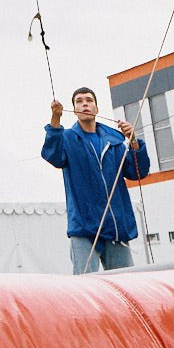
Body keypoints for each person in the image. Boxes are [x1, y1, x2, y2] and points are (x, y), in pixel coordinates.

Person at [41, 86, 149, 273]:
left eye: (89, 100)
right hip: (84, 229)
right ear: (74, 110)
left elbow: (137, 173)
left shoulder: (114, 140)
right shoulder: (67, 139)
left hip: (115, 228)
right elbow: (53, 155)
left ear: (96, 108)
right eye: (79, 101)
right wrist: (55, 121)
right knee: (85, 287)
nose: (85, 104)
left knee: (126, 284)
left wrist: (133, 141)